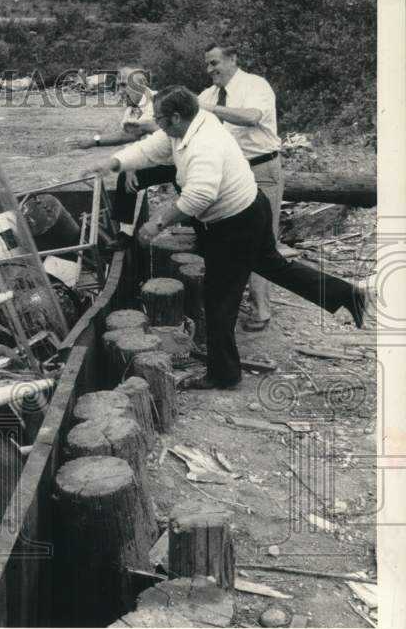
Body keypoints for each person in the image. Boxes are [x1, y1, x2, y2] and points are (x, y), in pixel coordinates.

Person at [87, 86, 368, 390]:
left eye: (160, 118)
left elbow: (199, 196)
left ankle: (223, 373)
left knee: (219, 299)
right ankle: (345, 294)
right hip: (249, 208)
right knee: (275, 268)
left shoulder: (203, 144)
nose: (157, 124)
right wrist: (115, 162)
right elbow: (151, 148)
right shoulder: (189, 124)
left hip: (234, 224)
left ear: (177, 117)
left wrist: (157, 223)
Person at [199, 44, 283, 332]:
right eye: (207, 65)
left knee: (263, 241)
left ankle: (261, 308)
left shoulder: (255, 85)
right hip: (229, 175)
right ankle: (230, 304)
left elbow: (251, 117)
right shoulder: (207, 94)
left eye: (215, 63)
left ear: (233, 59)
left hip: (261, 169)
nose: (210, 70)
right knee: (229, 237)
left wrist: (208, 109)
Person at [67, 67, 163, 249]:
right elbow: (128, 136)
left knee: (191, 194)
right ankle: (125, 234)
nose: (119, 92)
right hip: (160, 158)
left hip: (179, 157)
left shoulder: (157, 102)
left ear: (141, 84)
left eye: (123, 85)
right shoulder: (132, 108)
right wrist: (94, 142)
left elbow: (142, 137)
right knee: (125, 181)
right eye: (118, 86)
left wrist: (130, 166)